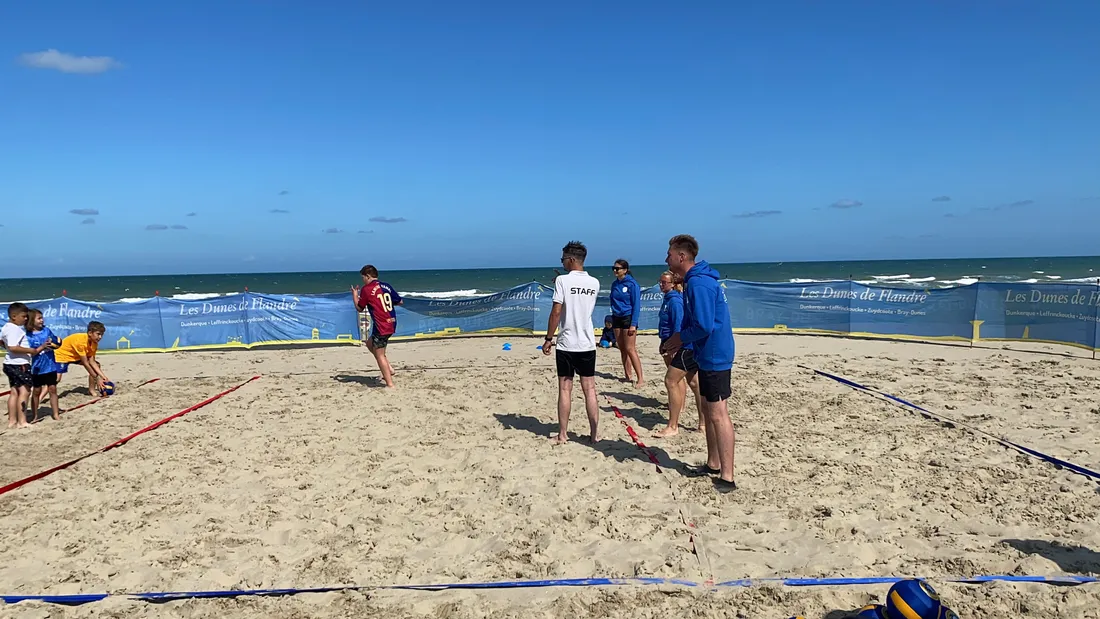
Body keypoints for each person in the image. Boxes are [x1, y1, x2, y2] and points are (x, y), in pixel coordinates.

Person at [659, 234, 737, 492]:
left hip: (715, 354)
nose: (666, 258)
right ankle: (713, 463)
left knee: (718, 413)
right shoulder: (695, 281)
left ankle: (727, 476)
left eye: (669, 254)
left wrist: (679, 339)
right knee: (708, 407)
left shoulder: (699, 284)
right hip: (707, 352)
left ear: (681, 257)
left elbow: (703, 324)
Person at [542, 241, 601, 445]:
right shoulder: (594, 282)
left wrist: (549, 338)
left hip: (567, 343)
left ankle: (563, 434)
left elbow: (556, 311)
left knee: (565, 389)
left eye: (563, 259)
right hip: (587, 342)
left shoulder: (562, 281)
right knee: (590, 389)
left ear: (571, 259)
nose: (562, 262)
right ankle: (594, 434)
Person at [653, 271, 704, 438]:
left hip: (683, 345)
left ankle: (673, 425)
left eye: (665, 282)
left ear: (674, 283)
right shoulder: (674, 298)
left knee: (672, 380)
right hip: (682, 343)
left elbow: (678, 325)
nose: (662, 285)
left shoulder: (675, 300)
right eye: (660, 282)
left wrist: (674, 347)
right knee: (695, 383)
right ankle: (702, 423)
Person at [352, 264, 403, 389]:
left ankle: (390, 384)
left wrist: (354, 295)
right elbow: (399, 301)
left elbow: (359, 308)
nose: (362, 280)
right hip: (391, 322)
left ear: (368, 276)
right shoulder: (386, 286)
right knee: (370, 344)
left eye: (363, 277)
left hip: (382, 325)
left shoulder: (367, 289)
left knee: (379, 354)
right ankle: (389, 368)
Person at [2, 302, 49, 428]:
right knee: (25, 392)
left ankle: (12, 420)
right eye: (24, 316)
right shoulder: (15, 329)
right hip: (20, 364)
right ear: (14, 316)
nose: (26, 319)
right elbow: (12, 347)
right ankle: (22, 421)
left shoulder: (6, 327)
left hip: (9, 363)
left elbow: (2, 342)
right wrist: (31, 351)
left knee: (14, 392)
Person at [609, 259, 643, 387]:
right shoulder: (614, 284)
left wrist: (633, 324)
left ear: (625, 270)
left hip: (628, 317)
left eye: (617, 268)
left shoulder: (632, 284)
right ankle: (628, 375)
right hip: (616, 317)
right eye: (614, 268)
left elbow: (636, 305)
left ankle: (640, 378)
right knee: (622, 348)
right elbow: (613, 300)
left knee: (630, 349)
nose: (615, 271)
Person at [54, 321, 110, 396]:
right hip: (62, 355)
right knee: (57, 379)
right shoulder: (81, 342)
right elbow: (86, 363)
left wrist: (104, 377)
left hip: (75, 356)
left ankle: (91, 390)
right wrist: (97, 378)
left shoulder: (94, 343)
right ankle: (40, 396)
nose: (100, 337)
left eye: (102, 335)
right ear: (90, 333)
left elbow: (92, 362)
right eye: (98, 334)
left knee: (97, 364)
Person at [26, 309, 62, 422]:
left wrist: (56, 343)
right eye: (39, 318)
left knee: (53, 389)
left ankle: (56, 414)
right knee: (36, 391)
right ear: (32, 321)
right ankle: (35, 415)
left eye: (42, 318)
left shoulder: (46, 331)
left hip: (50, 365)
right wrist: (42, 346)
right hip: (37, 367)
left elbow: (56, 341)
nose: (42, 320)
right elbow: (31, 351)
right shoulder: (28, 336)